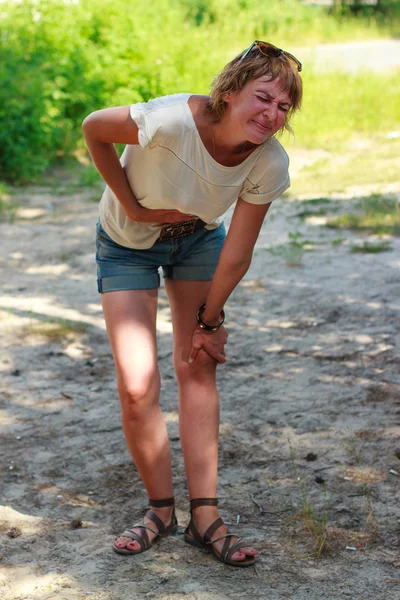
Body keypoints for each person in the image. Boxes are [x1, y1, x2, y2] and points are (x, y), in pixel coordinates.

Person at [82, 40, 302, 567]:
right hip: (125, 245)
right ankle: (160, 510)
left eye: (284, 108)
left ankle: (206, 517)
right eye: (263, 97)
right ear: (229, 92)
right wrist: (132, 205)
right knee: (137, 385)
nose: (272, 114)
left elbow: (238, 253)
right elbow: (93, 127)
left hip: (198, 241)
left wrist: (211, 321)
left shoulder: (267, 162)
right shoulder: (169, 122)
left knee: (197, 365)